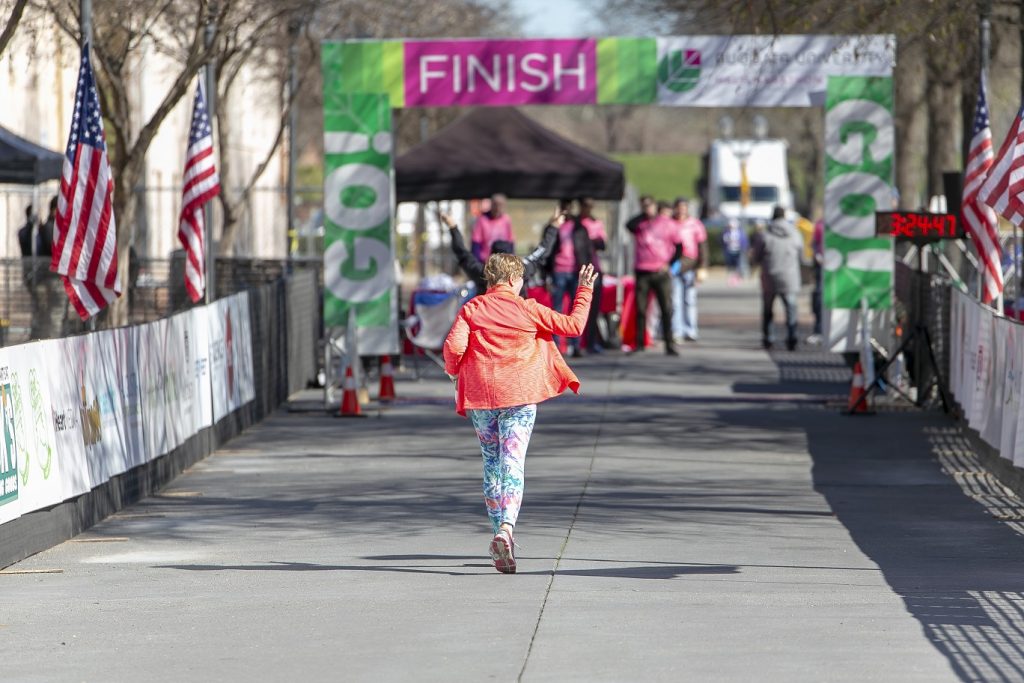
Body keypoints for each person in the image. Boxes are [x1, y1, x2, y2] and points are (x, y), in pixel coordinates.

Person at [443, 255, 597, 574]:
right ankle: (506, 530)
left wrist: (454, 372)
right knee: (512, 460)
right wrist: (584, 290)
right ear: (514, 280)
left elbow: (454, 347)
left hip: (480, 395)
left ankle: (498, 530)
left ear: (490, 280)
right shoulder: (527, 308)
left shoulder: (472, 309)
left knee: (491, 461)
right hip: (520, 394)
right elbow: (574, 326)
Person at [443, 206, 562, 297]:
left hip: (489, 325)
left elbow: (462, 253)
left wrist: (453, 227)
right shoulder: (522, 270)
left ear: (491, 257)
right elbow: (541, 251)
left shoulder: (482, 272)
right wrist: (554, 227)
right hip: (518, 324)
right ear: (512, 256)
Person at [628, 200, 681, 356]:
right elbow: (629, 225)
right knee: (641, 309)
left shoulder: (668, 224)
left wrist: (669, 264)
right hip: (642, 271)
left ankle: (669, 343)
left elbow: (679, 247)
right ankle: (639, 343)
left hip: (660, 272)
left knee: (666, 308)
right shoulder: (641, 224)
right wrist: (644, 213)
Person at [750, 205, 803, 351]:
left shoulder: (765, 235)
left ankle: (768, 338)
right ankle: (792, 338)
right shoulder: (795, 234)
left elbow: (757, 256)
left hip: (769, 276)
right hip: (789, 276)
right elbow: (801, 255)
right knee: (791, 308)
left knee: (768, 309)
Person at [546, 199, 594, 358]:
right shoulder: (552, 227)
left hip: (575, 271)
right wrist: (546, 274)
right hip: (558, 270)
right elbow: (546, 251)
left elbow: (586, 249)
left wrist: (587, 269)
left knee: (577, 308)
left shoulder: (579, 227)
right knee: (557, 310)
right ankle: (557, 346)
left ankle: (576, 345)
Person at [670, 197, 707, 343]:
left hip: (690, 266)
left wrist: (702, 266)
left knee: (689, 300)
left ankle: (690, 329)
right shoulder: (670, 223)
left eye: (684, 207)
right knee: (675, 301)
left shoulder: (695, 224)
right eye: (679, 207)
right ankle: (677, 330)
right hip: (674, 266)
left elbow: (702, 246)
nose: (681, 210)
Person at [577, 198, 607, 353]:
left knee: (594, 308)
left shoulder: (596, 223)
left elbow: (602, 244)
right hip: (577, 268)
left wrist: (590, 241)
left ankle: (592, 341)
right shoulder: (575, 224)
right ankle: (577, 343)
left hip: (593, 268)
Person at [470, 193, 513, 262]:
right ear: (491, 204)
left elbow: (510, 242)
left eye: (501, 205)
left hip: (502, 262)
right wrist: (477, 261)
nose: (498, 208)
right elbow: (476, 242)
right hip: (486, 261)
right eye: (496, 205)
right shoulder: (482, 219)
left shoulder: (506, 220)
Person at [808, 216, 825, 344]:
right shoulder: (820, 224)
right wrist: (817, 256)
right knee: (819, 298)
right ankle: (818, 330)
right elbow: (814, 243)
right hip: (822, 267)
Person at [721, 217, 749, 285]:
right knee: (730, 266)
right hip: (729, 250)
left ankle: (737, 278)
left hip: (738, 251)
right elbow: (723, 240)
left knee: (738, 265)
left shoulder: (740, 232)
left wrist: (744, 248)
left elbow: (744, 241)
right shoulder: (726, 232)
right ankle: (731, 278)